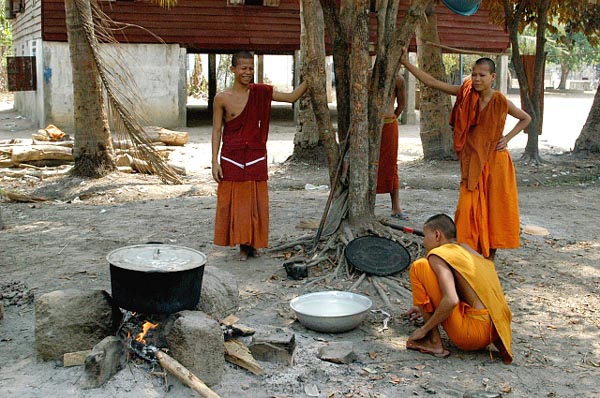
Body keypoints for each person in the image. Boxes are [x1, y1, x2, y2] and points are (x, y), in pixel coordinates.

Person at [401, 52, 531, 260]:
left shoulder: (500, 101)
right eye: (474, 74)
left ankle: (489, 258)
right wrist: (405, 62)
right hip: (472, 164)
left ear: (493, 77)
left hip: (495, 163)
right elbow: (432, 83)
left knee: (493, 211)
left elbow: (526, 118)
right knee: (467, 210)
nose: (477, 79)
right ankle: (470, 255)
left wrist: (507, 138)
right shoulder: (466, 94)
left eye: (482, 75)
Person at [211, 51, 308, 261]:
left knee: (257, 203)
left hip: (255, 155)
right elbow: (217, 131)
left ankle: (253, 244)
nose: (248, 72)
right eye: (243, 68)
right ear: (233, 69)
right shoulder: (221, 98)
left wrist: (310, 79)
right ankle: (243, 247)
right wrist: (214, 161)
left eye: (251, 68)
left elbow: (291, 97)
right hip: (231, 157)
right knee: (237, 204)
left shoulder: (261, 92)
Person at [405, 214, 513, 364]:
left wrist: (424, 329)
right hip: (495, 331)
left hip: (471, 334)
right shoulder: (466, 250)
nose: (423, 242)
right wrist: (427, 308)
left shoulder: (438, 254)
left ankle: (433, 342)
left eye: (425, 236)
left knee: (420, 266)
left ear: (437, 235)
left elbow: (451, 299)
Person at [377, 73, 408, 220]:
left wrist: (393, 115)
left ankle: (396, 207)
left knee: (390, 165)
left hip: (389, 123)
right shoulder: (367, 74)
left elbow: (401, 104)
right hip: (370, 125)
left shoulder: (398, 79)